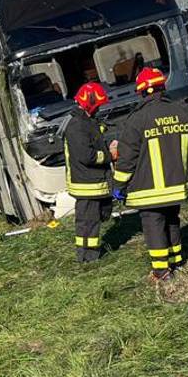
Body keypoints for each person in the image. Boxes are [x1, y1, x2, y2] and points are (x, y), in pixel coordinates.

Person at [112, 66, 188, 282]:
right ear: (163, 87)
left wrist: (118, 185)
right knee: (172, 219)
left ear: (142, 92)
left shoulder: (137, 120)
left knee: (154, 224)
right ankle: (177, 259)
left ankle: (161, 272)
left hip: (149, 189)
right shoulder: (184, 113)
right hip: (177, 186)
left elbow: (127, 159)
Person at [64, 80, 112, 262]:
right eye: (97, 106)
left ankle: (87, 255)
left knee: (92, 220)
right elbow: (87, 156)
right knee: (88, 223)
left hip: (93, 182)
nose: (99, 109)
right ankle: (88, 257)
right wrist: (110, 156)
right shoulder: (76, 125)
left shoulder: (85, 121)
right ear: (89, 104)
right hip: (87, 184)